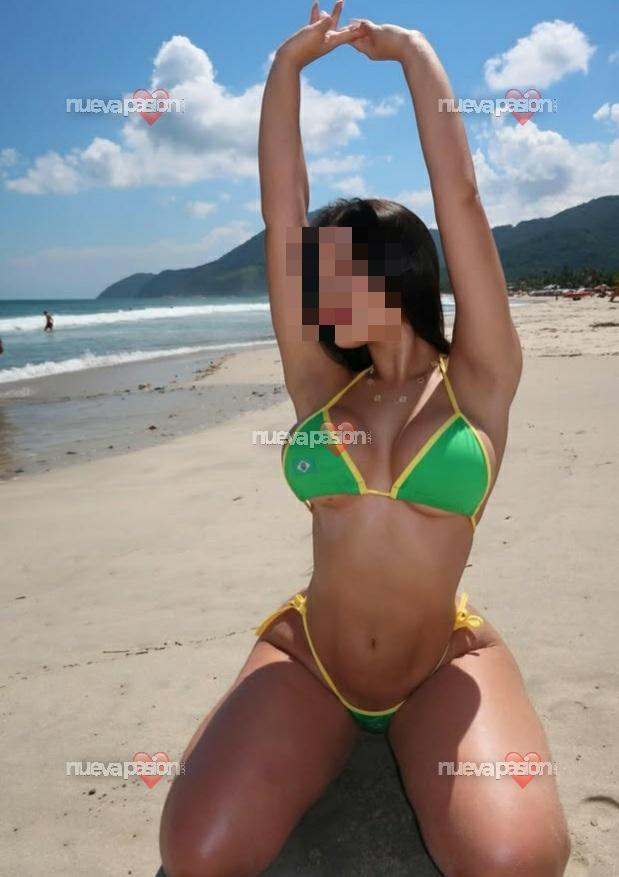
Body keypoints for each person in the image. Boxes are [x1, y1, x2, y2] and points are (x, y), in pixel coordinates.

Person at [159, 5, 571, 876]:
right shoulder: (321, 382)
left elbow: (459, 196)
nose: (315, 292)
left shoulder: (477, 378)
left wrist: (414, 55)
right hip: (311, 656)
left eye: (335, 272)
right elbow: (281, 214)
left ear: (396, 271)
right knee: (197, 854)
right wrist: (285, 67)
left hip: (435, 664)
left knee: (514, 862)